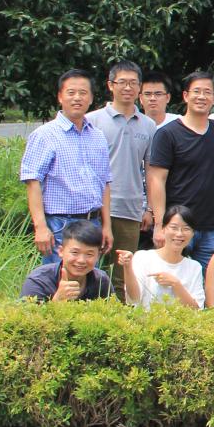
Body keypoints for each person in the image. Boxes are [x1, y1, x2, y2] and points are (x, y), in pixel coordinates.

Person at [147, 71, 214, 270]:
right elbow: (156, 179)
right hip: (176, 227)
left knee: (212, 282)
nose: (201, 97)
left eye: (207, 92)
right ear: (185, 96)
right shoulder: (168, 134)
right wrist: (159, 225)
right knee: (172, 281)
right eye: (196, 91)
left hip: (209, 228)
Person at [21, 69, 113, 264]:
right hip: (59, 225)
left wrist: (107, 226)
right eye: (71, 92)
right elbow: (32, 182)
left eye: (83, 93)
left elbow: (105, 183)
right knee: (60, 277)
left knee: (88, 279)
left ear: (91, 98)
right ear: (60, 97)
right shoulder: (44, 135)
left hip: (93, 223)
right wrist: (40, 227)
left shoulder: (98, 136)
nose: (77, 98)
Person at [85, 60, 154, 302]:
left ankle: (122, 317)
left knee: (123, 272)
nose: (127, 87)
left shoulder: (148, 125)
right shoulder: (92, 120)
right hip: (95, 209)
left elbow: (150, 171)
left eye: (133, 83)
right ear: (110, 85)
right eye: (122, 82)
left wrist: (149, 208)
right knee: (90, 267)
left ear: (139, 87)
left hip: (130, 209)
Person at [117, 205, 204, 310]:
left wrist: (175, 284)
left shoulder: (194, 267)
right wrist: (127, 267)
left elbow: (196, 310)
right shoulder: (143, 257)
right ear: (163, 229)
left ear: (193, 233)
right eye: (174, 228)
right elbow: (134, 299)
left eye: (186, 229)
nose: (179, 234)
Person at [20, 220, 114, 302]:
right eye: (75, 252)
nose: (81, 260)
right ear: (61, 251)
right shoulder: (39, 280)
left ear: (98, 256)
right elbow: (25, 315)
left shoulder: (101, 280)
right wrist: (58, 300)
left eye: (89, 254)